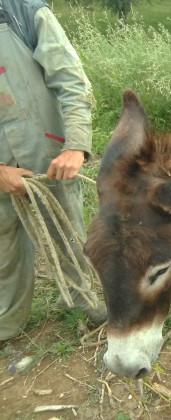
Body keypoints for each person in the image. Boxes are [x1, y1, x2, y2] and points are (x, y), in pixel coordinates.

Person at [0, 0, 107, 342]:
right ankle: (6, 325)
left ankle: (78, 298)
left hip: (46, 151)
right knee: (4, 252)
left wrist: (75, 145)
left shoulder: (25, 13)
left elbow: (71, 81)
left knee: (67, 231)